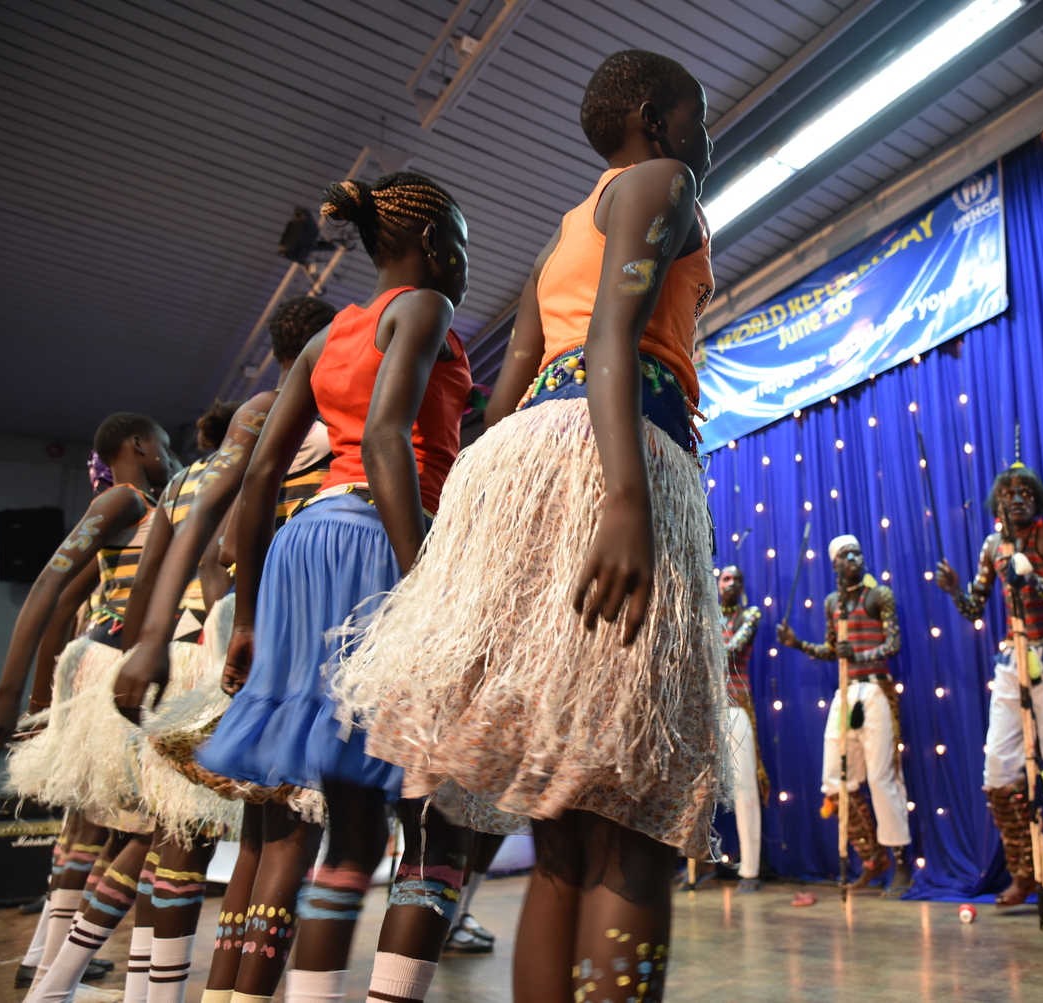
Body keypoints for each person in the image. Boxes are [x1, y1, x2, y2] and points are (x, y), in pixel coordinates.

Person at [330, 49, 722, 1003]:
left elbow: (499, 413)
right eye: (697, 115)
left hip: (525, 472)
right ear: (655, 120)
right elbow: (613, 336)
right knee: (632, 822)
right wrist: (626, 499)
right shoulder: (661, 182)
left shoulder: (557, 240)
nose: (705, 137)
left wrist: (474, 547)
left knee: (560, 830)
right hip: (615, 456)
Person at [196, 171, 475, 1003]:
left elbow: (258, 481)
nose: (464, 264)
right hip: (375, 536)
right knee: (434, 810)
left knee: (349, 825)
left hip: (301, 546)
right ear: (431, 248)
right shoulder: (424, 307)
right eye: (460, 246)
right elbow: (388, 438)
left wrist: (247, 618)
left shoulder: (328, 337)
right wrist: (427, 578)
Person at [106, 296, 338, 1003]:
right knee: (272, 835)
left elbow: (219, 540)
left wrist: (158, 638)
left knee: (246, 837)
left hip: (243, 632)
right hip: (289, 631)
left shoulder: (259, 414)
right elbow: (230, 538)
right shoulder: (311, 413)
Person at [0, 414, 179, 1003]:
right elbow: (52, 584)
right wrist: (16, 692)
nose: (169, 459)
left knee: (96, 825)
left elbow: (73, 600)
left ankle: (48, 964)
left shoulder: (131, 506)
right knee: (137, 826)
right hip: (110, 672)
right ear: (139, 445)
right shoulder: (123, 499)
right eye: (165, 447)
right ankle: (55, 976)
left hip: (100, 665)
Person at [935, 463, 1043, 916]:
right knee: (998, 768)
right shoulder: (993, 545)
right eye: (1008, 491)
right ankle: (1023, 869)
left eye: (1025, 491)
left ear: (1038, 499)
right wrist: (953, 591)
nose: (1017, 497)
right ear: (997, 503)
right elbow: (974, 606)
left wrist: (1032, 577)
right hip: (1011, 660)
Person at [777, 535, 912, 898]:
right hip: (845, 692)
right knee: (835, 783)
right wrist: (797, 644)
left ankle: (901, 865)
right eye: (844, 555)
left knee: (882, 778)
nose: (852, 558)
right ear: (834, 564)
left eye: (857, 552)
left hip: (875, 689)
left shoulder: (878, 595)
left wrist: (862, 655)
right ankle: (872, 858)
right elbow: (833, 650)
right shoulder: (832, 603)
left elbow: (894, 644)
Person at [718, 565, 766, 891]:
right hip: (705, 712)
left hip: (735, 709)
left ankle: (750, 870)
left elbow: (732, 649)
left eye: (738, 579)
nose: (732, 583)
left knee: (744, 791)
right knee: (697, 792)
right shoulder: (705, 616)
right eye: (726, 578)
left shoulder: (751, 614)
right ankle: (693, 863)